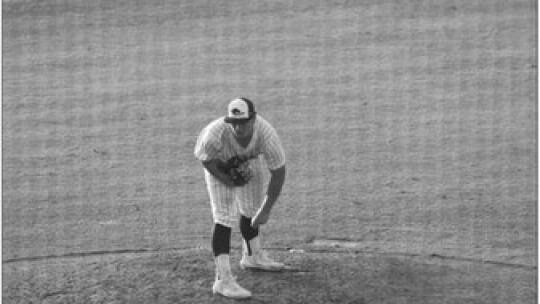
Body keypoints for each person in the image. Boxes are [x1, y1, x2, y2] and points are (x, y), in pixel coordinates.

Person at [194, 97, 287, 299]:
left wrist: (266, 209)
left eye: (243, 122)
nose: (238, 127)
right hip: (219, 167)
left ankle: (253, 257)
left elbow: (279, 172)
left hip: (247, 162)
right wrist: (227, 178)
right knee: (224, 217)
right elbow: (206, 159)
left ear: (253, 119)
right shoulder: (214, 134)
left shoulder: (266, 135)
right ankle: (223, 280)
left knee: (252, 209)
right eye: (234, 122)